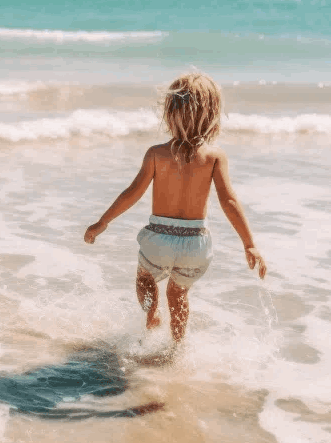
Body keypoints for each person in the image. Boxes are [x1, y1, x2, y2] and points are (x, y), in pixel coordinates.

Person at [84, 71, 266, 345]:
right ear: (213, 113)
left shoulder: (157, 154)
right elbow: (229, 201)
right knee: (178, 293)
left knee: (145, 277)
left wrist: (103, 222)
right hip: (196, 243)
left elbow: (133, 193)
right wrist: (249, 244)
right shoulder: (215, 156)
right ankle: (177, 346)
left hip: (159, 238)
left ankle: (152, 316)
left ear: (169, 111)